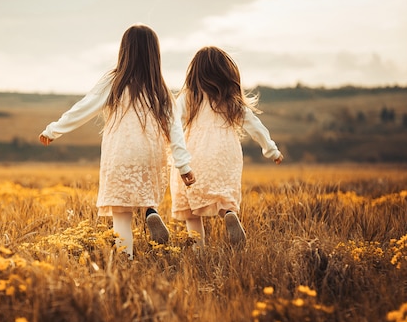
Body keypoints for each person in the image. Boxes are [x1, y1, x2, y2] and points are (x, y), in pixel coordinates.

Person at [39, 24, 196, 260]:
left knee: (121, 211)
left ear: (124, 51)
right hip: (151, 156)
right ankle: (149, 211)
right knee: (145, 195)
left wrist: (54, 129)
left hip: (121, 153)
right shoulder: (161, 90)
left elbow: (85, 107)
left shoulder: (115, 81)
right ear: (155, 54)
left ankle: (126, 258)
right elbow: (175, 131)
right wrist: (184, 167)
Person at [169, 46, 283, 250]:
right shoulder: (231, 100)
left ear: (194, 71)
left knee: (191, 207)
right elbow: (255, 125)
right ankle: (229, 214)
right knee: (223, 196)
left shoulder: (189, 96)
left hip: (195, 151)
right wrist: (271, 149)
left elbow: (173, 121)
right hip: (225, 153)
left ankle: (198, 250)